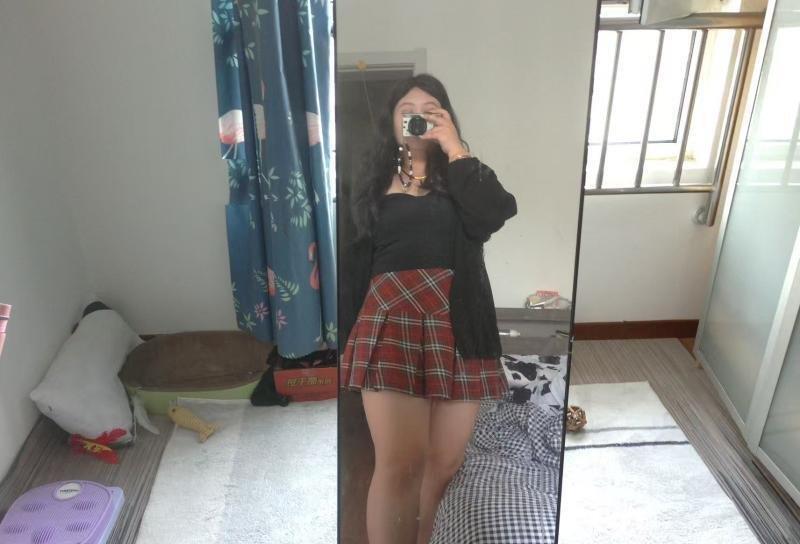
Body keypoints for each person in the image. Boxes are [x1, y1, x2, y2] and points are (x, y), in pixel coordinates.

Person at [339, 73, 518, 544]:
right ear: (391, 123)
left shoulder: (463, 178)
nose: (417, 117)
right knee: (400, 464)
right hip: (389, 319)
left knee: (444, 462)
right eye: (407, 110)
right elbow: (353, 265)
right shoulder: (369, 184)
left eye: (431, 110)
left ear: (447, 119)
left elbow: (496, 212)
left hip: (459, 322)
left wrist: (454, 148)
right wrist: (346, 337)